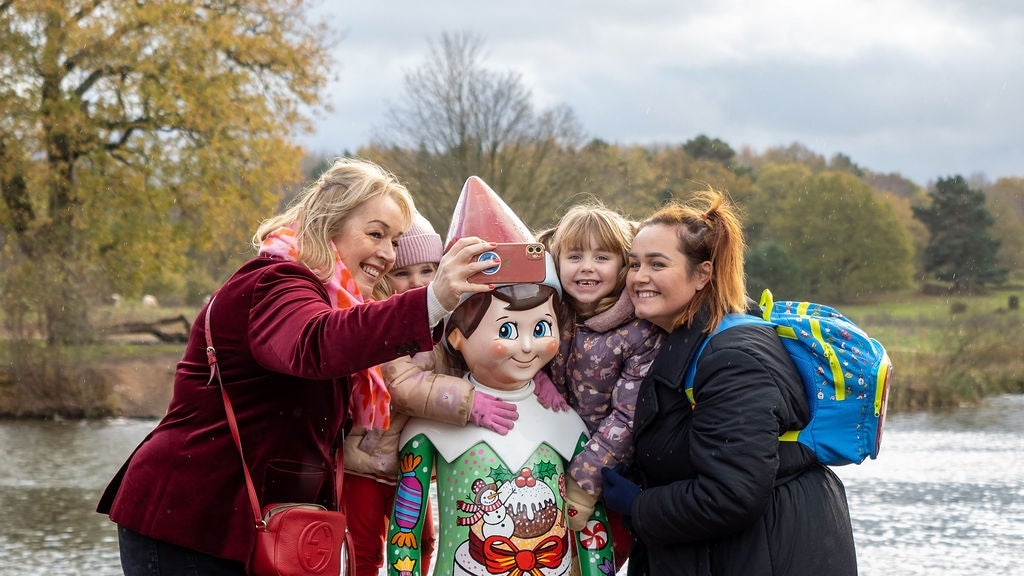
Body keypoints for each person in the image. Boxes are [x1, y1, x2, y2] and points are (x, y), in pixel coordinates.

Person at [96, 157, 501, 576]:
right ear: (329, 224)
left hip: (251, 525)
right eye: (376, 234)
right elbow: (316, 344)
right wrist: (432, 299)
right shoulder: (275, 281)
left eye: (394, 240)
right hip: (192, 520)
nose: (387, 253)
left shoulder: (331, 298)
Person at [601, 187, 858, 575]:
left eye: (657, 264)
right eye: (634, 264)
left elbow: (730, 494)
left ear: (703, 273)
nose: (639, 277)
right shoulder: (694, 336)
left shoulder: (732, 358)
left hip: (766, 554)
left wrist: (639, 505)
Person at [385, 176, 616, 576]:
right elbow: (406, 527)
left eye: (540, 329)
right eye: (506, 330)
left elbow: (592, 529)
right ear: (455, 336)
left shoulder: (567, 424)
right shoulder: (427, 428)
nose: (526, 346)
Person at [342, 212, 520, 576]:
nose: (415, 282)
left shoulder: (445, 320)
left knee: (419, 541)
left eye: (427, 271)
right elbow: (400, 384)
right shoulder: (381, 320)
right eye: (402, 273)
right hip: (367, 460)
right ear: (384, 277)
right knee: (365, 547)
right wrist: (468, 400)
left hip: (414, 463)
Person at [539, 204, 663, 568]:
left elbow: (627, 416)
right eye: (574, 256)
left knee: (597, 559)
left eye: (602, 256)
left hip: (610, 475)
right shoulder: (552, 312)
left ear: (624, 265)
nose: (586, 267)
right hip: (551, 461)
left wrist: (583, 482)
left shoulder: (639, 331)